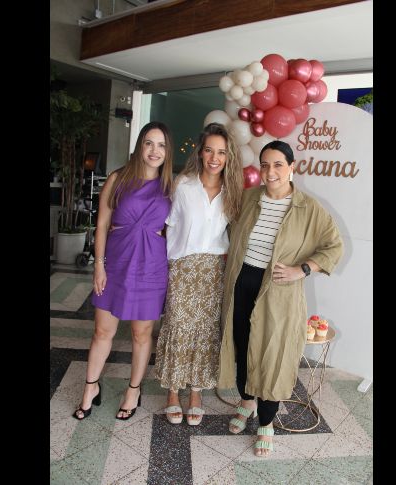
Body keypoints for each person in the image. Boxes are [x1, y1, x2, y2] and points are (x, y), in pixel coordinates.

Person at [217, 140, 344, 456]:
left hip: (279, 290)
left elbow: (333, 246)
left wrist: (303, 269)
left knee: (272, 355)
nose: (270, 172)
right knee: (244, 346)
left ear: (292, 167)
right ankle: (247, 402)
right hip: (243, 282)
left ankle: (267, 422)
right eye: (264, 165)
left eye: (277, 165)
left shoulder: (308, 208)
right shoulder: (249, 198)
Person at [73, 121, 174, 421]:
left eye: (161, 145)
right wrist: (98, 266)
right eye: (149, 143)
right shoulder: (118, 178)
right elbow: (102, 224)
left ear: (167, 151)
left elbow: (179, 228)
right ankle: (90, 387)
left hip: (151, 265)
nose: (155, 151)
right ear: (140, 146)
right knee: (102, 331)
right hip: (116, 262)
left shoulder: (172, 186)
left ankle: (134, 390)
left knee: (142, 334)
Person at [153, 123, 244, 425]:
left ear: (228, 156)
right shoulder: (183, 185)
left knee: (205, 332)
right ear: (200, 153)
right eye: (209, 150)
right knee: (178, 325)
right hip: (182, 267)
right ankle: (172, 390)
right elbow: (165, 225)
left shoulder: (233, 193)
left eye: (221, 152)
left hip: (213, 270)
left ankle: (195, 392)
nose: (214, 158)